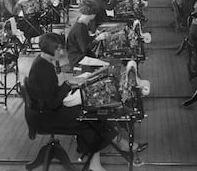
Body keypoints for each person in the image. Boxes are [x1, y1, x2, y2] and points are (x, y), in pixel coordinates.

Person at [26, 33, 138, 171]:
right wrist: (68, 84)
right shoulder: (43, 69)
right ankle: (107, 154)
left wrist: (71, 85)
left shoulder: (42, 62)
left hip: (45, 110)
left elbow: (51, 94)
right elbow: (52, 103)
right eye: (58, 49)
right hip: (45, 117)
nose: (61, 52)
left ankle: (107, 152)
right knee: (89, 118)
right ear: (49, 49)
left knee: (91, 113)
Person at [66, 0, 109, 68]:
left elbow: (84, 39)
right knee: (107, 64)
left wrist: (95, 36)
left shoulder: (81, 22)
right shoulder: (80, 27)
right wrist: (98, 38)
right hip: (78, 59)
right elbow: (86, 48)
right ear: (93, 14)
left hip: (79, 56)